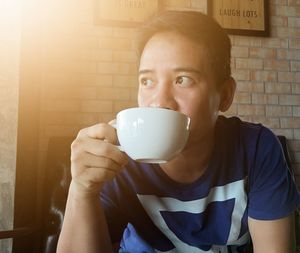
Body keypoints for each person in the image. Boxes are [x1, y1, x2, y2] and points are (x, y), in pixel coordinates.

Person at [57, 10, 300, 253]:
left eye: (182, 80)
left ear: (224, 95)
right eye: (147, 81)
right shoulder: (118, 157)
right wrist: (82, 189)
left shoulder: (255, 149)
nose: (159, 102)